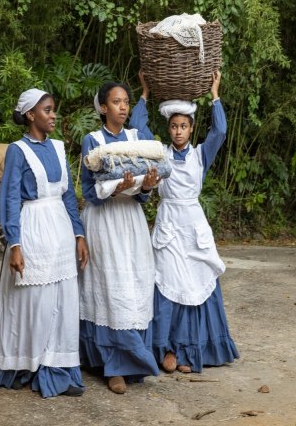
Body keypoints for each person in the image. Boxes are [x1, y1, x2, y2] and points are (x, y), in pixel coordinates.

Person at [0, 88, 89, 398]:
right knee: (33, 304)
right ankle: (26, 363)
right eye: (48, 110)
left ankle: (56, 367)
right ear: (30, 115)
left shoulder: (59, 148)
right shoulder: (17, 151)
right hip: (33, 231)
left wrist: (79, 235)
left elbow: (67, 195)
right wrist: (14, 243)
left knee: (61, 303)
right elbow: (9, 197)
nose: (53, 115)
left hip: (61, 234)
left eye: (53, 110)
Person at [129, 70, 239, 374]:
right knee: (165, 285)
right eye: (174, 126)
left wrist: (215, 95)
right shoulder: (159, 154)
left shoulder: (201, 155)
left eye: (184, 126)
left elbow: (220, 132)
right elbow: (138, 128)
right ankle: (166, 350)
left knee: (196, 284)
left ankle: (192, 350)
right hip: (168, 225)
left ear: (191, 129)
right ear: (169, 129)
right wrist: (145, 92)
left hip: (193, 226)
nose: (178, 132)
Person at [78, 80, 161, 394]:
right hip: (104, 220)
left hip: (131, 221)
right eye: (116, 102)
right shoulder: (93, 141)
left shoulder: (138, 139)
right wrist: (117, 187)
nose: (123, 107)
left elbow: (144, 192)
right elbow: (89, 190)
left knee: (135, 286)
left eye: (126, 101)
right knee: (109, 290)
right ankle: (112, 366)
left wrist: (147, 186)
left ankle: (133, 362)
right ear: (102, 107)